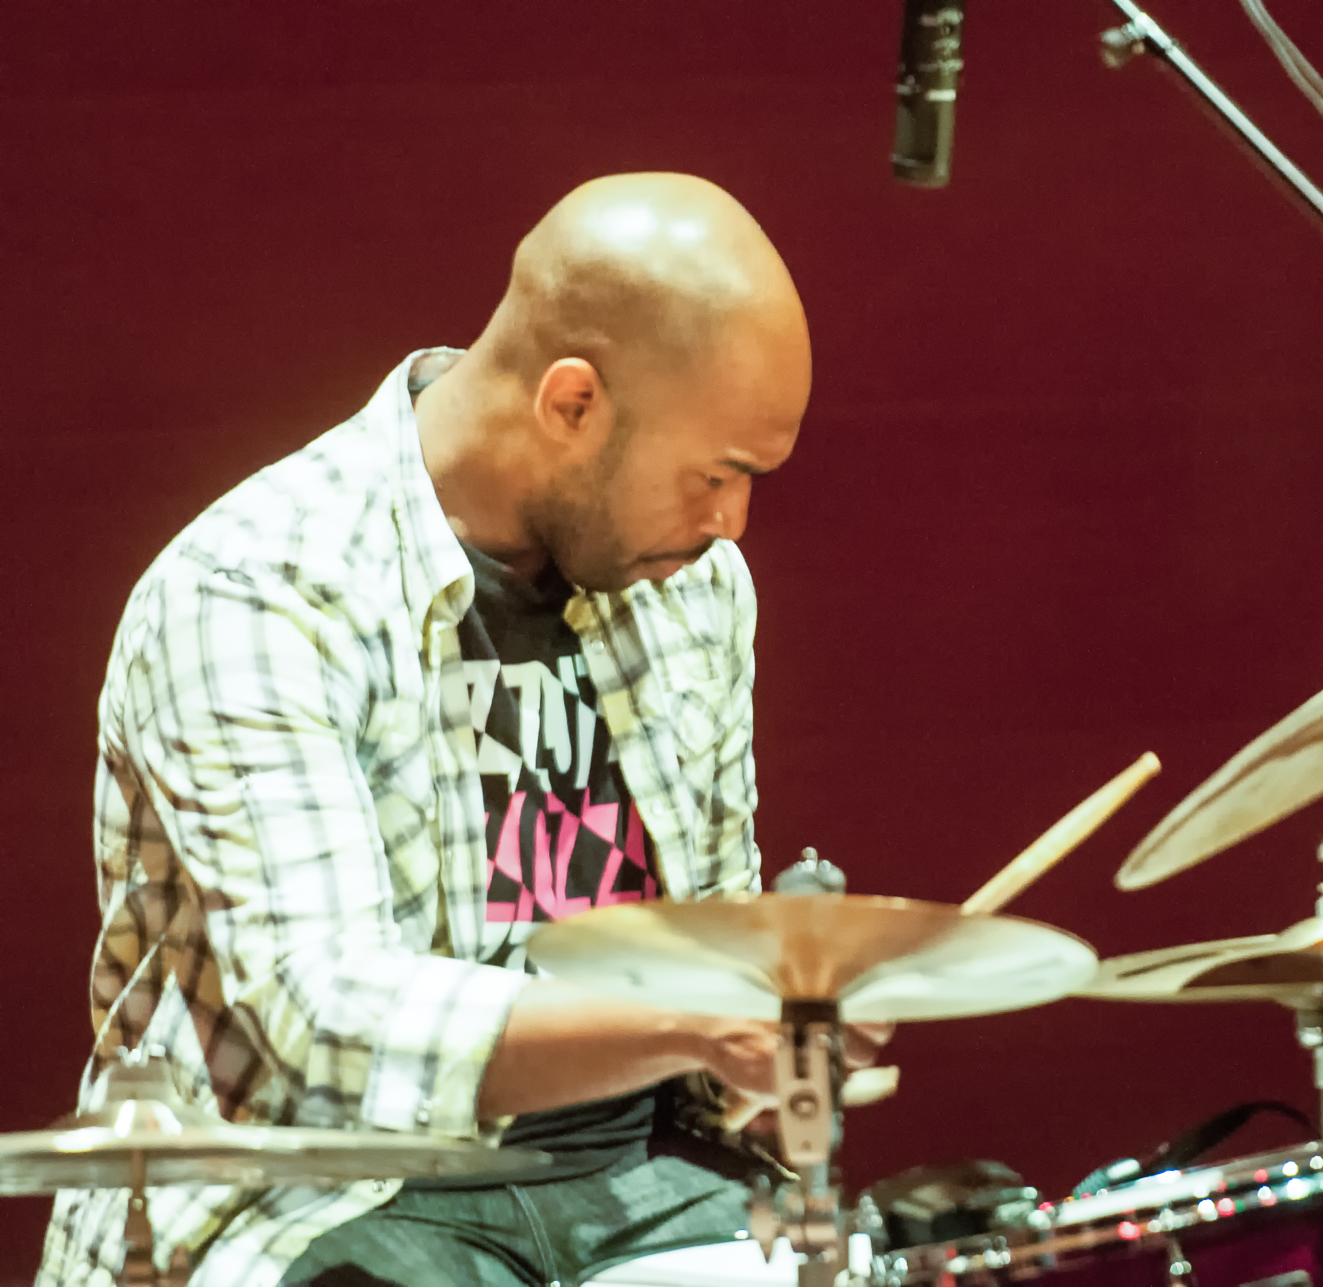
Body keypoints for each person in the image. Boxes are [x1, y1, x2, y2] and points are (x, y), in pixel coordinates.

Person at [39, 173, 875, 1287]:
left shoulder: (694, 587)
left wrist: (783, 1026)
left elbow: (707, 957)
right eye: (714, 475)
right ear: (571, 402)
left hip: (625, 1181)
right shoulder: (256, 591)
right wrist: (696, 1022)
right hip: (331, 1197)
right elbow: (320, 1016)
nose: (729, 523)